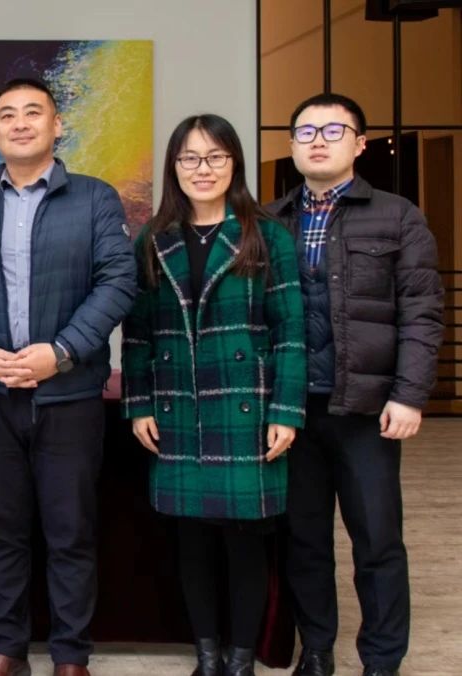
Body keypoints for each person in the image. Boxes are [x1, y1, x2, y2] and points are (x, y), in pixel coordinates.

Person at [0, 77, 136, 676]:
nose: (20, 123)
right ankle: (7, 648)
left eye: (33, 112)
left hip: (69, 395)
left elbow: (118, 282)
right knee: (2, 529)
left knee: (71, 531)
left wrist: (62, 351)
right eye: (7, 115)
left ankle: (71, 656)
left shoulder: (95, 199)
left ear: (56, 125)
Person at [121, 114, 306, 676]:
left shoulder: (265, 235)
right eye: (190, 158)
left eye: (215, 157)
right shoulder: (153, 240)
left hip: (244, 408)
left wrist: (285, 411)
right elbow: (137, 334)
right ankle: (207, 657)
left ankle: (241, 660)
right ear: (174, 167)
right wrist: (139, 404)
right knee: (192, 542)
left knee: (245, 542)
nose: (202, 169)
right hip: (177, 408)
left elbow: (290, 331)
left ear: (234, 164)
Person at [266, 93, 444, 676]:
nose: (317, 140)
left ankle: (382, 661)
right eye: (306, 131)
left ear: (360, 144)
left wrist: (409, 394)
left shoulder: (398, 216)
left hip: (367, 410)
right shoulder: (269, 221)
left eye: (333, 130)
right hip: (292, 411)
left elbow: (422, 312)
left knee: (377, 540)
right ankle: (316, 650)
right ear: (291, 144)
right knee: (304, 539)